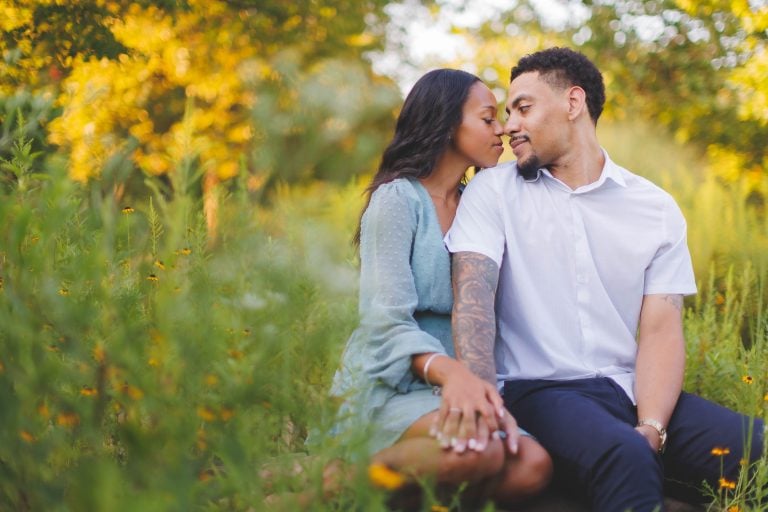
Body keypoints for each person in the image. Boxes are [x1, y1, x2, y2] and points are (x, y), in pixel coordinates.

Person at [445, 47, 765, 512]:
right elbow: (472, 302)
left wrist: (653, 426)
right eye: (507, 111)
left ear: (574, 103)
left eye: (523, 108)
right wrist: (484, 407)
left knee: (757, 449)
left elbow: (660, 328)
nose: (509, 125)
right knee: (624, 455)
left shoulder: (654, 207)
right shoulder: (492, 191)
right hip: (538, 389)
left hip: (628, 389)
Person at [327, 68, 552, 506]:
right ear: (448, 124)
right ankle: (330, 480)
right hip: (397, 380)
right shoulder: (397, 201)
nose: (502, 129)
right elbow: (383, 320)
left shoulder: (480, 204)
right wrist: (453, 375)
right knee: (478, 450)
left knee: (532, 467)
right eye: (488, 119)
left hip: (467, 381)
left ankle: (405, 490)